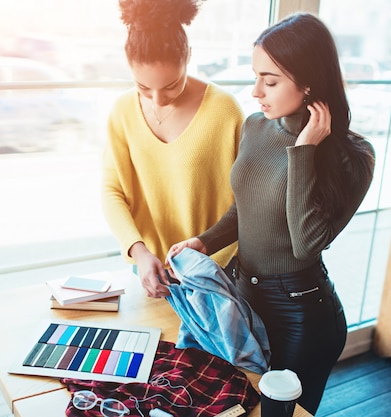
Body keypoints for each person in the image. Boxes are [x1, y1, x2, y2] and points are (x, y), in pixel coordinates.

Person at [166, 12, 376, 415]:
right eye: (256, 76)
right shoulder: (256, 127)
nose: (256, 91)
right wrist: (205, 241)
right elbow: (245, 207)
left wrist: (303, 151)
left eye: (271, 80)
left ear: (309, 80)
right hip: (242, 294)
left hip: (301, 315)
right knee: (230, 405)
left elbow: (307, 243)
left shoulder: (353, 156)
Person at [102, 0, 244, 298]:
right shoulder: (123, 111)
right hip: (150, 271)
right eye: (143, 87)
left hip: (215, 270)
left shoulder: (224, 110)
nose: (157, 100)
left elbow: (247, 199)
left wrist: (208, 255)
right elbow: (111, 192)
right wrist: (139, 253)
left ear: (189, 56)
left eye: (170, 86)